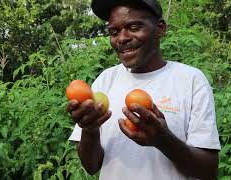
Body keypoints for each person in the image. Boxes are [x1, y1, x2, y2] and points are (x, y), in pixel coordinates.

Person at [66, 0, 221, 179]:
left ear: (160, 28)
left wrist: (164, 141)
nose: (122, 38)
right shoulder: (105, 80)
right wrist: (90, 129)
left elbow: (209, 171)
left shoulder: (191, 80)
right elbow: (92, 166)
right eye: (114, 32)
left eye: (133, 27)